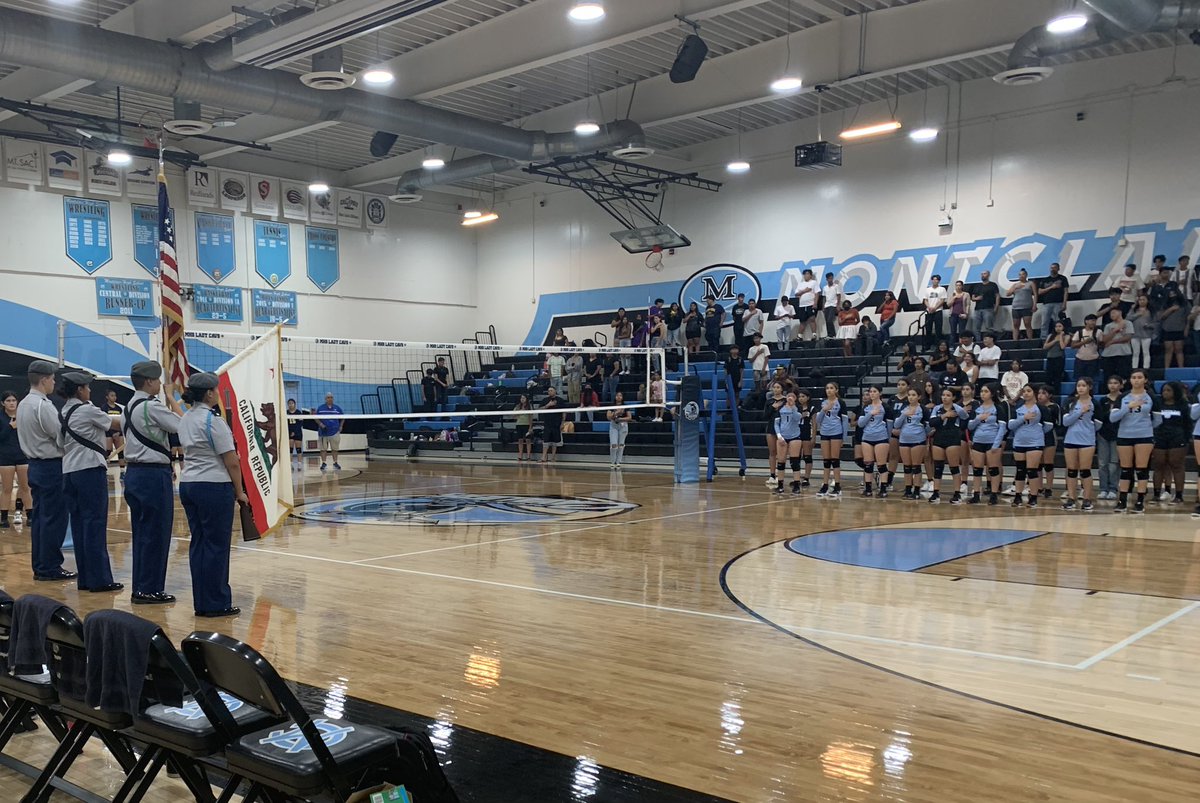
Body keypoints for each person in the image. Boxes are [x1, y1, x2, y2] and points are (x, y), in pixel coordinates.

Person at [178, 372, 244, 617]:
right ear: (208, 393)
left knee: (199, 544)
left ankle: (202, 601)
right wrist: (240, 492)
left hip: (189, 485)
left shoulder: (185, 418)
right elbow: (232, 461)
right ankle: (216, 603)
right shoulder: (213, 421)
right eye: (216, 390)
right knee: (216, 546)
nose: (218, 393)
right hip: (213, 486)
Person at [122, 360, 183, 604]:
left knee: (142, 533)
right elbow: (185, 427)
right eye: (158, 380)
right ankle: (149, 589)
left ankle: (141, 585)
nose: (160, 384)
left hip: (135, 474)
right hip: (152, 475)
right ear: (149, 381)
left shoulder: (128, 406)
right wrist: (172, 398)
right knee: (156, 534)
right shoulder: (150, 406)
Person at [58, 370, 122, 592]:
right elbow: (114, 424)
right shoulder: (87, 410)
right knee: (94, 524)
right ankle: (100, 580)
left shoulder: (63, 411)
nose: (90, 390)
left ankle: (85, 578)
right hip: (89, 471)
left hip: (69, 472)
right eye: (87, 387)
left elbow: (59, 442)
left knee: (79, 525)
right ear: (79, 389)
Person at [16, 360, 75, 582]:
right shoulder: (43, 405)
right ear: (44, 380)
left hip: (35, 464)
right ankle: (50, 566)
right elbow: (60, 436)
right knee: (54, 519)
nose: (54, 382)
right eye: (52, 379)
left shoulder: (23, 404)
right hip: (51, 465)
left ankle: (40, 564)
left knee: (41, 519)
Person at [1110, 368, 1155, 514]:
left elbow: (1158, 419)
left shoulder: (1151, 397)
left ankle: (1140, 501)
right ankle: (1122, 500)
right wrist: (1127, 407)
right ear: (1130, 380)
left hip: (1144, 435)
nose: (1136, 380)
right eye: (1133, 377)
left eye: (1139, 377)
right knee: (1125, 469)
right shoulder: (1123, 397)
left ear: (1145, 380)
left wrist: (1146, 428)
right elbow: (1113, 418)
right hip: (1125, 435)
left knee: (1141, 470)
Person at [1061, 378, 1098, 512]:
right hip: (1070, 439)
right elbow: (1065, 422)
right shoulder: (1070, 402)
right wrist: (1079, 412)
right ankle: (1071, 498)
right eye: (1078, 385)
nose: (1080, 388)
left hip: (1087, 440)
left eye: (1083, 385)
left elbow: (1098, 423)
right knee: (1071, 470)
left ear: (1090, 387)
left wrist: (1088, 430)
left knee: (1085, 470)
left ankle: (1087, 499)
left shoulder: (1094, 403)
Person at [1008, 384, 1047, 508]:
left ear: (1034, 393)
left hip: (1035, 442)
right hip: (1019, 441)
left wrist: (1036, 433)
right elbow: (1010, 426)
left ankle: (1033, 497)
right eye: (1023, 391)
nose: (1025, 393)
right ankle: (1018, 496)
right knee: (1020, 470)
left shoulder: (1041, 408)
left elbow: (1049, 425)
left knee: (1032, 470)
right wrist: (1023, 418)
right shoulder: (1018, 408)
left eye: (1029, 391)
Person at [968, 384, 1007, 505]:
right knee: (977, 469)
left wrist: (996, 444)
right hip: (978, 441)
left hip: (992, 441)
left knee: (993, 469)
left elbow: (1002, 428)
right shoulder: (977, 408)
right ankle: (976, 494)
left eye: (986, 391)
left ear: (992, 393)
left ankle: (994, 494)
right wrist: (978, 419)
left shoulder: (998, 408)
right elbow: (970, 426)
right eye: (982, 391)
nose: (983, 393)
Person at [1152, 381, 1189, 504]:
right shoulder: (1157, 404)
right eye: (1163, 390)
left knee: (1176, 465)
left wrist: (1186, 438)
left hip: (1177, 438)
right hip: (1160, 437)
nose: (1165, 393)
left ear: (1175, 392)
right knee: (1158, 465)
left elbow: (1187, 424)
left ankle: (1179, 495)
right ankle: (1156, 494)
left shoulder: (1183, 405)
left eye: (1168, 390)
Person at [927, 388, 966, 504]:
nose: (945, 397)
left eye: (948, 395)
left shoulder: (958, 409)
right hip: (939, 437)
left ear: (953, 397)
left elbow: (966, 420)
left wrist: (958, 430)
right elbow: (932, 423)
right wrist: (944, 416)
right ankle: (936, 493)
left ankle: (957, 494)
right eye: (943, 395)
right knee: (938, 467)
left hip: (952, 438)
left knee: (954, 467)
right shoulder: (937, 408)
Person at [0, 390, 32, 529]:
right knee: (7, 488)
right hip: (5, 457)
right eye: (8, 401)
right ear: (3, 403)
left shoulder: (23, 416)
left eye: (13, 400)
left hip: (22, 455)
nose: (11, 403)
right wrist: (10, 427)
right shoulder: (1, 418)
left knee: (25, 487)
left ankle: (30, 516)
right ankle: (4, 518)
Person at [896, 387, 929, 501]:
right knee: (907, 467)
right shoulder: (904, 409)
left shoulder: (923, 409)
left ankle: (916, 490)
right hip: (904, 439)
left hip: (918, 440)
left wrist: (925, 435)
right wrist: (904, 415)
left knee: (916, 466)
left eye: (913, 395)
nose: (911, 397)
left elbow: (929, 426)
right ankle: (908, 489)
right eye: (909, 395)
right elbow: (896, 425)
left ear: (919, 397)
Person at [858, 386, 891, 498]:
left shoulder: (885, 406)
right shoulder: (866, 407)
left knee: (881, 465)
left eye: (874, 392)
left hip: (881, 438)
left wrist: (888, 438)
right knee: (868, 464)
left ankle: (883, 489)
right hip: (867, 438)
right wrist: (870, 413)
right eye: (870, 392)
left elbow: (890, 425)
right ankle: (868, 489)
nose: (872, 394)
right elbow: (860, 423)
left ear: (880, 393)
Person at [772, 391, 806, 496]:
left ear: (795, 399)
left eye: (793, 396)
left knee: (794, 461)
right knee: (781, 461)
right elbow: (776, 423)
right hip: (782, 437)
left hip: (795, 436)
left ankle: (796, 485)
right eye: (788, 396)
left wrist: (792, 407)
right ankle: (780, 485)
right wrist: (779, 436)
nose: (790, 398)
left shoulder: (798, 408)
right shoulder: (781, 408)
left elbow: (797, 418)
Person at [814, 382, 844, 499]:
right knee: (826, 461)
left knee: (835, 460)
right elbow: (818, 420)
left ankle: (837, 486)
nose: (829, 390)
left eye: (831, 388)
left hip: (836, 432)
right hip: (825, 433)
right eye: (827, 388)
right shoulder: (823, 402)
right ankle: (825, 485)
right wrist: (824, 410)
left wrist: (843, 437)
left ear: (836, 390)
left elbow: (844, 421)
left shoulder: (840, 402)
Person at [1096, 375, 1123, 501]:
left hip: (1117, 434)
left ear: (1120, 385)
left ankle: (1113, 488)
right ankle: (1103, 489)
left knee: (1114, 463)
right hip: (1103, 434)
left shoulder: (1124, 399)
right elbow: (1101, 417)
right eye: (1110, 383)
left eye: (1115, 383)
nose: (1113, 385)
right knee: (1102, 463)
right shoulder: (1103, 400)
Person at [1036, 385, 1062, 499]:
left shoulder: (1054, 406)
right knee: (1037, 464)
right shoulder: (1035, 407)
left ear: (1050, 395)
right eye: (1039, 393)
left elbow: (1059, 422)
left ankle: (1049, 488)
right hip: (1036, 436)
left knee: (1048, 463)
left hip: (1050, 435)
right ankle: (1039, 487)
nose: (1040, 395)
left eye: (1043, 393)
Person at [1158, 284, 1187, 370]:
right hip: (1167, 329)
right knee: (1168, 350)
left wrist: (1186, 328)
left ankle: (1181, 369)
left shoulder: (1184, 303)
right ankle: (1167, 369)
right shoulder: (1164, 304)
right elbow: (1161, 317)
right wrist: (1171, 309)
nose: (1172, 295)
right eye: (1170, 293)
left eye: (1173, 293)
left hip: (1179, 329)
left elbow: (1187, 317)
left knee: (1179, 350)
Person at [1036, 262, 1069, 338]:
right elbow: (1039, 292)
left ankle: (1058, 337)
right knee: (1044, 322)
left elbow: (1066, 291)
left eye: (1054, 267)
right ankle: (1044, 339)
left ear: (1058, 269)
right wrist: (1051, 287)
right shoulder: (1045, 280)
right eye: (1051, 267)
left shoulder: (1062, 279)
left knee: (1058, 322)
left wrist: (1064, 303)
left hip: (1058, 303)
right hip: (1046, 304)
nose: (1052, 269)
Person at [1101, 307, 1134, 380]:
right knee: (1108, 377)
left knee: (1124, 376)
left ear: (1120, 312)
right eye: (1110, 314)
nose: (1111, 315)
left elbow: (1127, 337)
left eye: (1113, 313)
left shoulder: (1128, 323)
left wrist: (1113, 341)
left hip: (1123, 353)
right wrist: (1116, 330)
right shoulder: (1108, 326)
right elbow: (1105, 339)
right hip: (1109, 354)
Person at [763, 382, 786, 487]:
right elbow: (765, 416)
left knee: (782, 453)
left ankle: (781, 475)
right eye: (774, 387)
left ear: (782, 389)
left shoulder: (786, 400)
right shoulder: (769, 401)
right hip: (771, 428)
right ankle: (772, 475)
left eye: (778, 387)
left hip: (783, 428)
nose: (776, 389)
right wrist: (772, 407)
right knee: (772, 452)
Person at [101, 388, 126, 479]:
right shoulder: (104, 408)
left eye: (115, 395)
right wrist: (112, 433)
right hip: (108, 432)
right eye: (112, 395)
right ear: (107, 397)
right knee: (108, 450)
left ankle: (122, 472)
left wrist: (118, 432)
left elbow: (121, 422)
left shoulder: (119, 408)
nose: (114, 397)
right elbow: (103, 422)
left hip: (118, 432)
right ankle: (105, 470)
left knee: (120, 451)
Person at [316, 392, 343, 470]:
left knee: (335, 449)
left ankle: (335, 462)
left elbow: (343, 417)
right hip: (323, 432)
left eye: (331, 397)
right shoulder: (321, 408)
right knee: (323, 449)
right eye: (328, 397)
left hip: (334, 432)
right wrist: (321, 424)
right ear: (325, 399)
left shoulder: (337, 408)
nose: (330, 399)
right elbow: (316, 418)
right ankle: (324, 463)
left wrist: (341, 426)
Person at [1071, 314, 1102, 383]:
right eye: (1092, 320)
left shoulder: (1099, 332)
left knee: (1091, 381)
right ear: (1086, 321)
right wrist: (1084, 342)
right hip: (1080, 359)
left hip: (1093, 359)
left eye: (1095, 321)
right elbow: (1073, 346)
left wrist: (1096, 341)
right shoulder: (1079, 332)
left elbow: (1102, 345)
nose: (1094, 323)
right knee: (1079, 380)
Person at [1007, 268, 1036, 340]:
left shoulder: (1030, 283)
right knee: (1016, 325)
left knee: (1027, 324)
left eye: (1023, 274)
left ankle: (1030, 340)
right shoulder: (1015, 285)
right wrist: (1015, 288)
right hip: (1016, 307)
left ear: (1026, 275)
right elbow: (1007, 294)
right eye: (1020, 275)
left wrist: (1034, 305)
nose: (1021, 276)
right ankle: (1015, 341)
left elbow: (1035, 294)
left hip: (1027, 306)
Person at [1128, 293, 1155, 370]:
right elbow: (1128, 319)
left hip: (1146, 334)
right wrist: (1137, 314)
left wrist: (1149, 325)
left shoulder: (1151, 311)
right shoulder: (1134, 310)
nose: (1142, 301)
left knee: (1146, 352)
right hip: (1135, 334)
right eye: (1140, 300)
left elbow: (1155, 323)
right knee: (1135, 353)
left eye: (1144, 299)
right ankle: (1134, 368)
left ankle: (1146, 367)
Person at [608, 391, 632, 469]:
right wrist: (616, 413)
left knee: (621, 444)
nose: (618, 397)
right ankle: (612, 461)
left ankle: (619, 461)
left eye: (620, 395)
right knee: (614, 444)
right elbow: (608, 417)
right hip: (614, 425)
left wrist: (621, 419)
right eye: (617, 395)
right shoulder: (612, 406)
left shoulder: (625, 406)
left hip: (623, 425)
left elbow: (629, 417)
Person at [971, 271, 1000, 336]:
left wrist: (996, 307)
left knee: (989, 328)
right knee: (976, 328)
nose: (983, 275)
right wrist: (976, 299)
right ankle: (978, 343)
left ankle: (990, 342)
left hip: (988, 308)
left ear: (988, 275)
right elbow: (972, 297)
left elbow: (997, 296)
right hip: (977, 309)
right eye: (981, 274)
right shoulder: (977, 286)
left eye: (984, 274)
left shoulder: (993, 285)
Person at [795, 269, 820, 345]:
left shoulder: (814, 283)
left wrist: (815, 303)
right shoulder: (800, 284)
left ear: (811, 275)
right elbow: (796, 294)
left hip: (810, 303)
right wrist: (805, 291)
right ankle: (799, 336)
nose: (806, 275)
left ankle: (814, 335)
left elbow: (817, 293)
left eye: (808, 274)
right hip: (802, 305)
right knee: (802, 320)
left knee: (812, 319)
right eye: (805, 274)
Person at [1043, 320, 1070, 391]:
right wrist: (1055, 340)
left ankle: (1056, 393)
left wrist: (1061, 336)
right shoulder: (1050, 335)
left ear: (1063, 327)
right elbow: (1045, 346)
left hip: (1059, 358)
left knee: (1057, 377)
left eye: (1060, 326)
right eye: (1056, 326)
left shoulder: (1067, 336)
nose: (1058, 328)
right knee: (1048, 377)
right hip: (1050, 358)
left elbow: (1062, 347)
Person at [922, 274, 947, 349]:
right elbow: (925, 300)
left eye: (936, 279)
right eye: (933, 279)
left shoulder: (942, 289)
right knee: (928, 328)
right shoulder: (927, 289)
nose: (934, 281)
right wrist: (929, 307)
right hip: (929, 311)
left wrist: (935, 308)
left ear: (939, 281)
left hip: (938, 311)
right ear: (931, 280)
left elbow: (942, 300)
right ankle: (927, 345)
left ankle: (938, 345)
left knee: (938, 329)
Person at [539, 388, 563, 464]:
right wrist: (548, 405)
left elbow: (564, 412)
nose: (550, 392)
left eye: (551, 390)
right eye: (548, 390)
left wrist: (562, 423)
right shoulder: (545, 400)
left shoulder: (560, 400)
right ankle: (543, 457)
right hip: (547, 423)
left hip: (556, 424)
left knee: (554, 441)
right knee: (546, 440)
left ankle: (553, 457)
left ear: (555, 391)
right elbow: (539, 409)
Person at [821, 273, 842, 341]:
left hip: (833, 305)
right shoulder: (825, 287)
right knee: (827, 321)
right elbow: (824, 297)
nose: (831, 279)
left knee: (830, 320)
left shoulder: (836, 286)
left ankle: (833, 334)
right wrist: (823, 306)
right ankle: (829, 334)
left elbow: (838, 295)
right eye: (829, 278)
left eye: (831, 278)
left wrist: (838, 305)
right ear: (827, 279)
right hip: (827, 305)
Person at [513, 395, 533, 461]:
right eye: (521, 398)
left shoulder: (529, 407)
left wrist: (530, 427)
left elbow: (531, 418)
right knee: (520, 440)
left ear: (526, 399)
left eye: (524, 398)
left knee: (528, 440)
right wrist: (519, 412)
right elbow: (513, 416)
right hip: (519, 424)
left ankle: (528, 456)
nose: (522, 399)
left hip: (527, 425)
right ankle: (520, 455)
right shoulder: (518, 406)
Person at [723, 348, 742, 415]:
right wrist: (726, 381)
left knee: (737, 394)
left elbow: (742, 370)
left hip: (737, 379)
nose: (734, 351)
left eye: (736, 349)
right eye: (733, 349)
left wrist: (741, 380)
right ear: (730, 351)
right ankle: (728, 409)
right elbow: (725, 370)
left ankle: (735, 408)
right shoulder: (728, 359)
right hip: (729, 379)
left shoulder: (740, 359)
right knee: (729, 395)